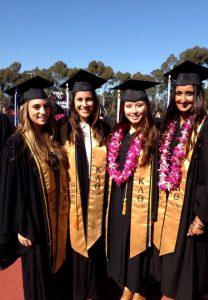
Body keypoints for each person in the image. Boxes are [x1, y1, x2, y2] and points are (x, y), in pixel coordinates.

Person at [151, 61, 208, 300]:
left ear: (198, 95)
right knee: (170, 271)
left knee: (185, 277)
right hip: (168, 211)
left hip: (191, 212)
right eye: (179, 93)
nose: (183, 99)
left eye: (189, 94)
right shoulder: (170, 127)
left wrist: (202, 218)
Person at [0, 76, 69, 300]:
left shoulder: (50, 138)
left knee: (54, 275)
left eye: (46, 106)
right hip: (33, 222)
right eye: (36, 107)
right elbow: (12, 189)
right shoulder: (16, 144)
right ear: (25, 109)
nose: (43, 111)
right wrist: (21, 226)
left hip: (53, 217)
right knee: (37, 280)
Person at [106, 79, 159, 300]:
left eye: (139, 105)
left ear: (146, 106)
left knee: (138, 245)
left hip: (141, 201)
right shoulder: (118, 134)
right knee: (123, 243)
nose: (134, 110)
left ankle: (138, 289)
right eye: (129, 106)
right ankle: (128, 285)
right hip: (119, 200)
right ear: (122, 108)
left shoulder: (154, 135)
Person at [60, 69, 110, 300]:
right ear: (73, 102)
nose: (84, 104)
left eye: (88, 99)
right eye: (80, 99)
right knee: (76, 245)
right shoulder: (63, 130)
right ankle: (78, 291)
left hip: (98, 198)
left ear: (95, 101)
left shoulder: (104, 129)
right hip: (73, 199)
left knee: (97, 246)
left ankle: (95, 290)